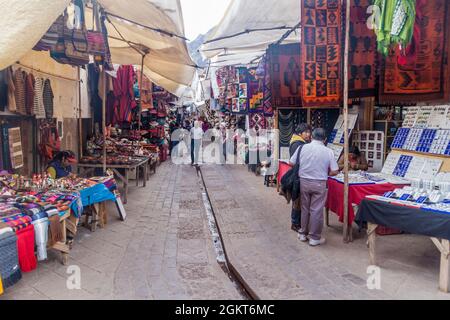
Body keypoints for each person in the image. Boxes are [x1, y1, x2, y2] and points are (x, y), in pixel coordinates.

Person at [290, 128, 339, 246]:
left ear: (311, 137)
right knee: (316, 210)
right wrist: (325, 173)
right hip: (319, 183)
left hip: (304, 182)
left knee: (304, 208)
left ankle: (302, 233)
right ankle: (314, 237)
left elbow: (291, 163)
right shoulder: (328, 151)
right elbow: (335, 170)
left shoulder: (302, 148)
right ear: (325, 139)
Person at [289, 123, 312, 232]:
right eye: (306, 132)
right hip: (298, 175)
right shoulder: (298, 144)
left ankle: (297, 222)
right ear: (300, 133)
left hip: (299, 174)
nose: (308, 134)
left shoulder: (298, 142)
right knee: (297, 200)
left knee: (298, 200)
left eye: (309, 132)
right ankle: (295, 223)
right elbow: (295, 162)